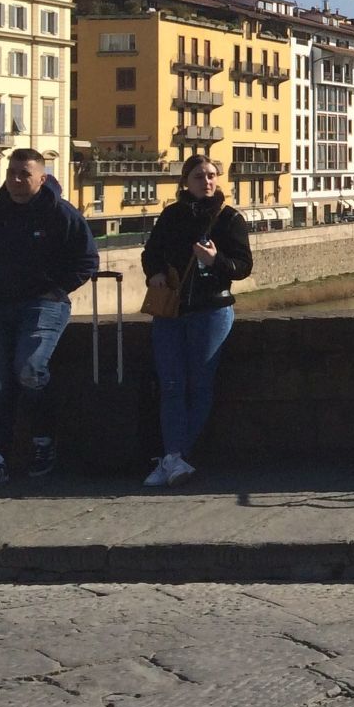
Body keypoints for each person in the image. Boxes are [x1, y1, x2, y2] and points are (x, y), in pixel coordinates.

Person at [0, 149, 100, 489]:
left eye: (24, 174)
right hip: (0, 305)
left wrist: (57, 290)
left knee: (30, 369)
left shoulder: (61, 214)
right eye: (12, 173)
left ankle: (43, 440)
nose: (17, 180)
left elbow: (87, 259)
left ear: (42, 178)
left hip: (44, 304)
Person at [139, 155, 252, 487]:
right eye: (200, 176)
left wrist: (216, 260)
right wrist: (155, 273)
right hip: (171, 312)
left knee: (200, 385)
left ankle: (175, 457)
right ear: (185, 181)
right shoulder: (171, 216)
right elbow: (151, 254)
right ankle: (175, 457)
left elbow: (243, 266)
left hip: (211, 312)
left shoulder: (229, 219)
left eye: (212, 175)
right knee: (171, 385)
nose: (208, 181)